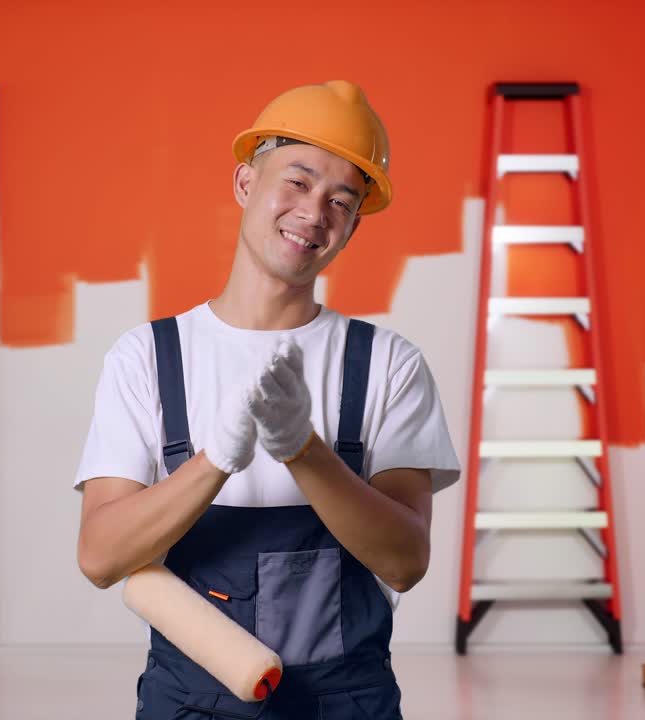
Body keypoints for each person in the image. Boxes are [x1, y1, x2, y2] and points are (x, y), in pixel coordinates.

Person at [74, 80, 460, 719]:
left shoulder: (387, 364)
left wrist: (303, 450)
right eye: (299, 181)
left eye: (343, 200)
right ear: (246, 184)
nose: (315, 213)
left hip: (345, 705)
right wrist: (215, 460)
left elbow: (404, 561)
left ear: (353, 227)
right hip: (190, 703)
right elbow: (100, 557)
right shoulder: (147, 357)